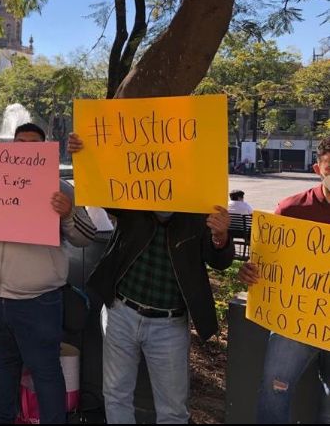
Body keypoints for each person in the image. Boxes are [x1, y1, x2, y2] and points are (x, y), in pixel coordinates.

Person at [67, 133, 234, 424]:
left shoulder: (199, 207)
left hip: (169, 324)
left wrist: (221, 236)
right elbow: (100, 190)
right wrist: (83, 156)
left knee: (172, 410)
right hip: (121, 313)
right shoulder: (133, 198)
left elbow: (219, 261)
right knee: (116, 395)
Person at [0, 123, 97, 424]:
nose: (24, 148)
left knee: (46, 373)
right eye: (19, 142)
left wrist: (69, 214)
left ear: (44, 149)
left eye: (32, 144)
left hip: (37, 302)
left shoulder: (60, 189)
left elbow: (87, 236)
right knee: (3, 367)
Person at [239, 136, 330, 424]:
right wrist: (250, 273)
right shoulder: (292, 209)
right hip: (295, 322)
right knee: (275, 388)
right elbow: (264, 264)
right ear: (318, 168)